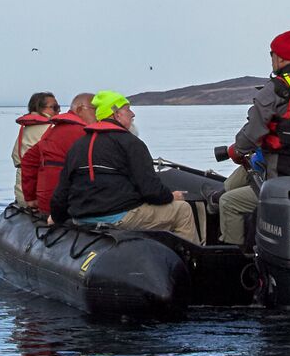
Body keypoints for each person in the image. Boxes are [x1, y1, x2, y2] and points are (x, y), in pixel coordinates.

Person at [217, 30, 290, 245]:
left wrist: (237, 151)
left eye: (272, 55)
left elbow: (252, 133)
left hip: (279, 179)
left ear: (278, 57)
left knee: (228, 202)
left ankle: (233, 258)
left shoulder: (274, 89)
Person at [50, 92, 203, 244]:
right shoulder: (131, 143)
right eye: (128, 109)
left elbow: (61, 193)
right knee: (182, 210)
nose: (133, 114)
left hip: (81, 218)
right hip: (119, 217)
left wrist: (56, 218)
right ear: (116, 114)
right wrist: (171, 196)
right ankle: (190, 263)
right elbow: (151, 191)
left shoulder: (78, 145)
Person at [20, 92, 94, 215]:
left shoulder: (55, 130)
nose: (99, 115)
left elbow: (28, 159)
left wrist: (31, 198)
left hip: (46, 203)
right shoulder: (83, 134)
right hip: (64, 208)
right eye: (96, 110)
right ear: (80, 109)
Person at [11, 91, 60, 207]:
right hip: (40, 197)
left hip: (22, 194)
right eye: (55, 107)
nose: (59, 111)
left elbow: (15, 157)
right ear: (40, 108)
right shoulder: (53, 129)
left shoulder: (24, 130)